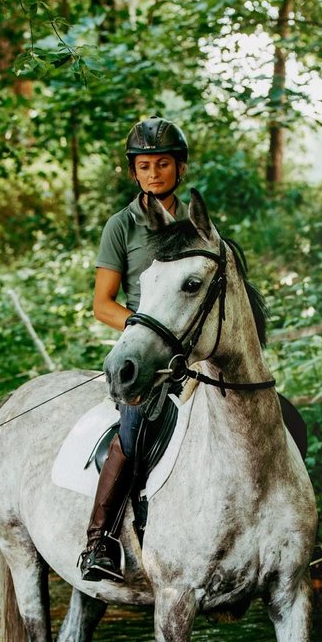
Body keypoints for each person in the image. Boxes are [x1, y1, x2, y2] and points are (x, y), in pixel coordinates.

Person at [78, 116, 191, 582]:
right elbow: (102, 304)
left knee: (262, 406)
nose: (153, 173)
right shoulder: (120, 227)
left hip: (196, 344)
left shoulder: (195, 223)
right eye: (144, 166)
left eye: (162, 164)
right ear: (134, 172)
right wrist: (150, 330)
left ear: (179, 169)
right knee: (132, 429)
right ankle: (99, 540)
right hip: (147, 354)